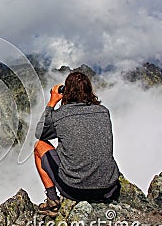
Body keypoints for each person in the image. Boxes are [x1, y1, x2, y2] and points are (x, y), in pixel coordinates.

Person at [34, 71, 120, 217]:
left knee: (39, 146)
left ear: (65, 92)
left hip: (75, 189)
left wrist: (52, 102)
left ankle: (52, 201)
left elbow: (40, 133)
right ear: (89, 90)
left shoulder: (60, 115)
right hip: (108, 188)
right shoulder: (103, 111)